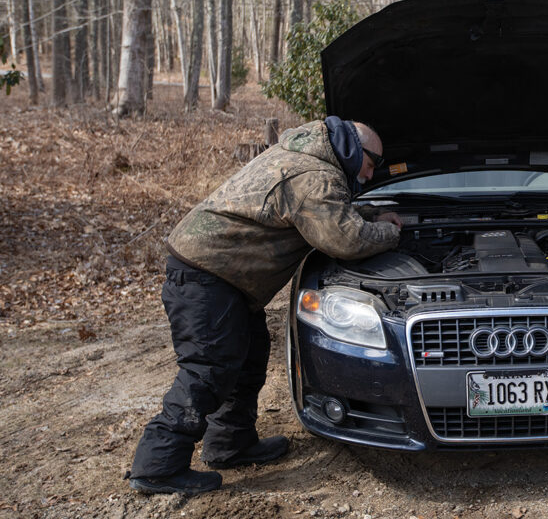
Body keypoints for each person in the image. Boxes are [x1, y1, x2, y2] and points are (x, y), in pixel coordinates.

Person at [127, 118, 402, 495]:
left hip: (223, 276)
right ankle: (158, 465)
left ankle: (230, 442)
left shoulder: (306, 160)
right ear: (354, 151)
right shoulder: (314, 175)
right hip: (207, 277)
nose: (372, 175)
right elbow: (346, 239)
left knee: (250, 358)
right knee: (209, 368)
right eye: (373, 164)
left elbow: (330, 213)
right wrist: (391, 232)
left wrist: (372, 215)